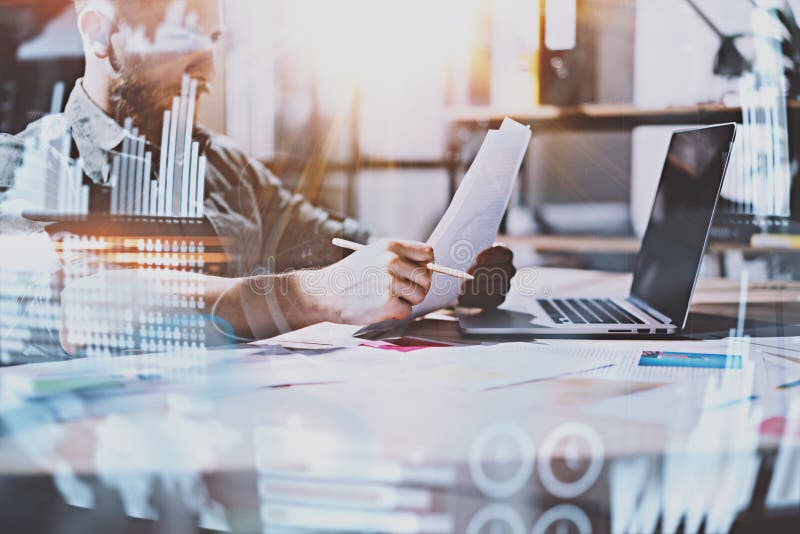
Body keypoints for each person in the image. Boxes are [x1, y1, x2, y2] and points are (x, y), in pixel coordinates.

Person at [0, 0, 516, 356]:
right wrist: (313, 295)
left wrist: (436, 273)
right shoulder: (24, 168)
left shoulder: (224, 168)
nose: (208, 72)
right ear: (99, 32)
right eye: (183, 38)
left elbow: (340, 247)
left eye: (212, 42)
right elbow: (84, 308)